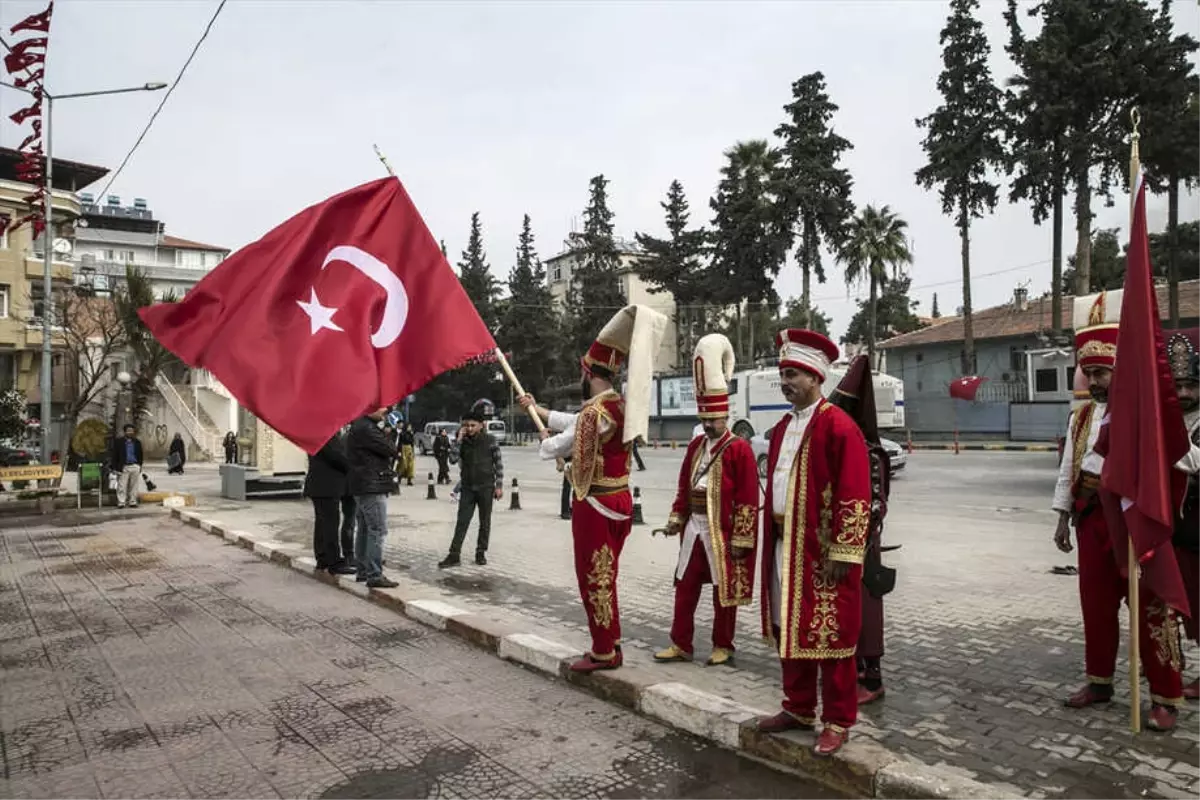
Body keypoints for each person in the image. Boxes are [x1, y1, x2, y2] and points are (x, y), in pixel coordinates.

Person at [519, 304, 666, 672]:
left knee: (595, 579)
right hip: (618, 501)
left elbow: (561, 442)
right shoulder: (617, 406)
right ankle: (611, 640)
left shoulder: (596, 415)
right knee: (607, 577)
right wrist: (539, 410)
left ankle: (604, 651)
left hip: (596, 506)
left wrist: (544, 438)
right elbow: (574, 420)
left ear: (588, 373)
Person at [1053, 314, 1183, 730]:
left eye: (1101, 372)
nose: (1094, 380)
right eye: (1088, 372)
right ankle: (1099, 682)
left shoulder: (1145, 416)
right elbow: (1067, 469)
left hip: (1132, 522)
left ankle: (1165, 696)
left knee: (1150, 608)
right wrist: (1061, 519)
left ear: (1119, 370)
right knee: (1096, 606)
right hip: (1090, 519)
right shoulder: (1083, 416)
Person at [756, 329, 871, 757]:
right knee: (791, 628)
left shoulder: (838, 426)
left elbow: (856, 491)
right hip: (785, 546)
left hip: (823, 551)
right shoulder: (782, 428)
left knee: (832, 635)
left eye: (793, 375)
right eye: (782, 374)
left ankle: (838, 720)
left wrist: (844, 550)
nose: (785, 382)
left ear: (816, 378)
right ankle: (798, 707)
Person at [655, 334, 758, 668]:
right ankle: (680, 643)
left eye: (713, 420)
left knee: (722, 592)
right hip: (693, 530)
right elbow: (683, 488)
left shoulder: (739, 449)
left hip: (721, 532)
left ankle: (723, 645)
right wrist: (675, 518)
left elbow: (747, 496)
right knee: (684, 588)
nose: (708, 425)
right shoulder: (695, 447)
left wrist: (742, 537)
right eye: (704, 420)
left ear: (725, 417)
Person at [827, 355, 894, 705]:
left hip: (863, 546)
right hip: (839, 543)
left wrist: (857, 535)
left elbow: (877, 503)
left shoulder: (869, 452)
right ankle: (851, 673)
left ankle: (874, 678)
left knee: (868, 614)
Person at [1167, 329, 1200, 699]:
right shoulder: (1175, 417)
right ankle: (1171, 660)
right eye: (1177, 385)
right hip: (1175, 529)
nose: (1183, 394)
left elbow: (1192, 462)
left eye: (1190, 384)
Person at [439, 409, 504, 568]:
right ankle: (454, 555)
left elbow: (499, 464)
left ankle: (480, 552)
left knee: (484, 522)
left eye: (473, 425)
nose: (469, 428)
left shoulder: (490, 440)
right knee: (462, 521)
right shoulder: (462, 442)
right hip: (467, 487)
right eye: (466, 425)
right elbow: (452, 460)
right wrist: (459, 440)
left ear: (481, 425)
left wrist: (499, 486)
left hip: (486, 487)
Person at [347, 407, 400, 589]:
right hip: (371, 485)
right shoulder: (368, 428)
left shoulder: (359, 426)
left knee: (364, 529)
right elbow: (391, 449)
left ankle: (363, 570)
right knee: (377, 530)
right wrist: (388, 432)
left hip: (362, 485)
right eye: (382, 408)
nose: (385, 411)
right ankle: (374, 574)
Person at [305, 431, 356, 576]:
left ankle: (322, 558)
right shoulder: (325, 434)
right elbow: (336, 457)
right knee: (330, 524)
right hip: (326, 486)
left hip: (320, 486)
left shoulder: (316, 433)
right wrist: (352, 466)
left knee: (322, 523)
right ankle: (333, 562)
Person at [111, 424, 144, 509]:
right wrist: (114, 467)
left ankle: (132, 501)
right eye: (128, 430)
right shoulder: (119, 442)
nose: (130, 432)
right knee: (122, 485)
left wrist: (139, 466)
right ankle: (121, 502)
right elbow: (114, 455)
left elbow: (140, 455)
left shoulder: (137, 442)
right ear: (125, 431)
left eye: (131, 431)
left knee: (134, 485)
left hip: (135, 465)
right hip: (123, 466)